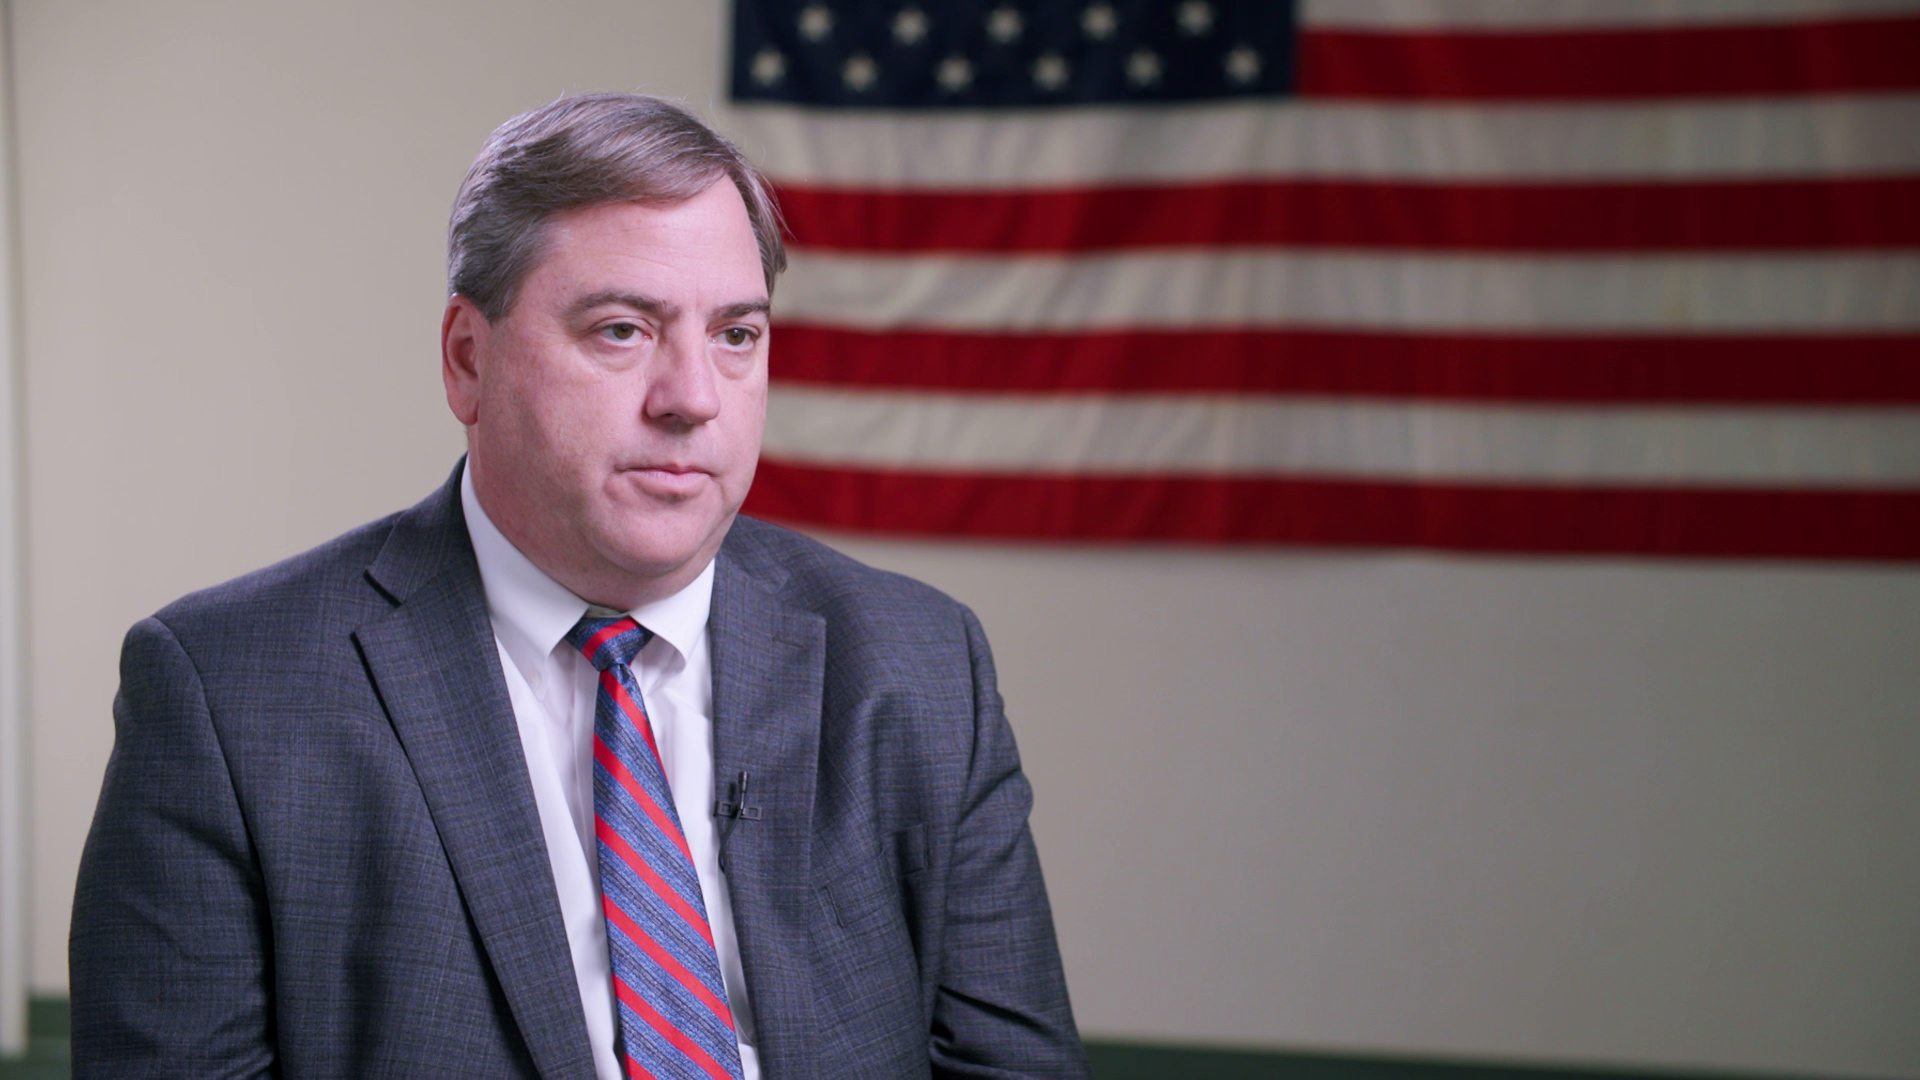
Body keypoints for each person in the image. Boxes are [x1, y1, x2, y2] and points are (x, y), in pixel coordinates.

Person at [69, 92, 1086, 1079]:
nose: (693, 399)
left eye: (737, 335)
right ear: (468, 360)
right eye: (621, 330)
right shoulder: (228, 694)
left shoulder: (918, 666)